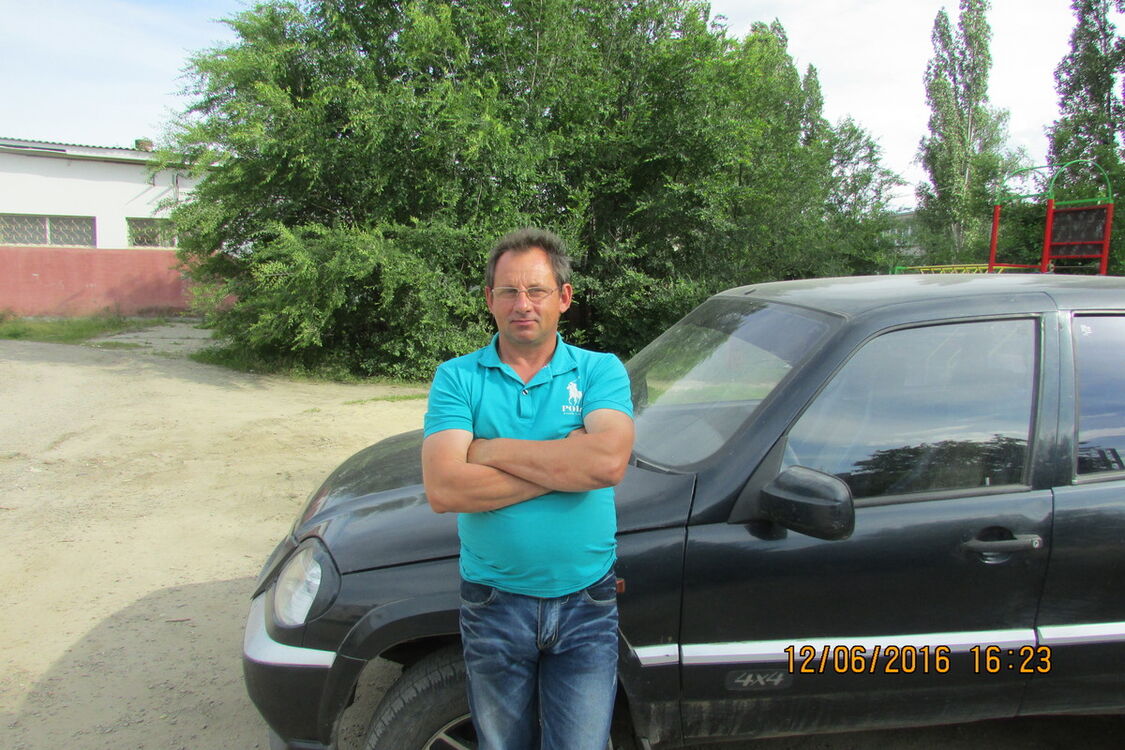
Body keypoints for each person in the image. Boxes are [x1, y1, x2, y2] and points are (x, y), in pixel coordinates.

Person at [421, 228, 635, 750]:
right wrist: (565, 465)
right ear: (489, 299)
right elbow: (445, 489)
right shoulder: (457, 378)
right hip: (494, 602)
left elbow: (607, 463)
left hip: (587, 602)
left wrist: (488, 450)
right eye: (509, 291)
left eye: (537, 290)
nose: (523, 304)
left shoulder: (600, 370)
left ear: (563, 297)